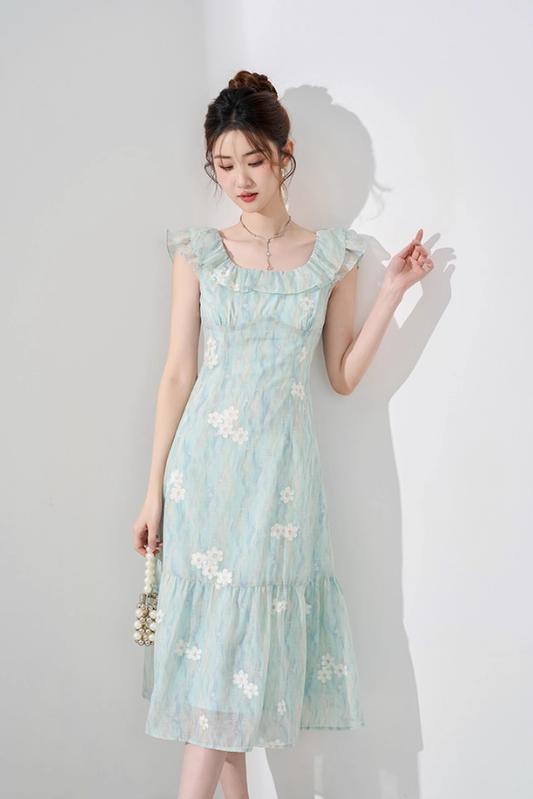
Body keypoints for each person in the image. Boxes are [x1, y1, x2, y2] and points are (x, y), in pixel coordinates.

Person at [132, 70, 434, 799]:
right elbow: (177, 374)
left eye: (253, 161)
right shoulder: (198, 253)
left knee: (238, 673)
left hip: (282, 488)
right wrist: (153, 493)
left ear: (284, 154)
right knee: (217, 672)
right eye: (223, 165)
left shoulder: (332, 257)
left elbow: (341, 375)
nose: (239, 179)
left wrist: (393, 295)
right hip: (205, 479)